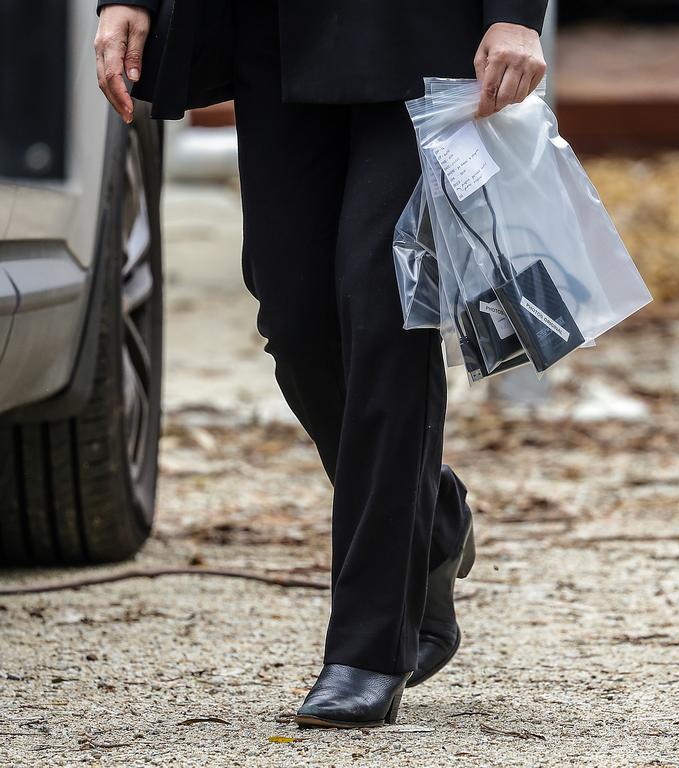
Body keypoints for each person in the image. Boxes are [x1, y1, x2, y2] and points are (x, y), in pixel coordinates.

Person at [94, 0, 547, 729]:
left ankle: (369, 650)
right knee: (294, 319)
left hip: (425, 35)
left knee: (386, 306)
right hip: (274, 34)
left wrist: (517, 13)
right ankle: (428, 518)